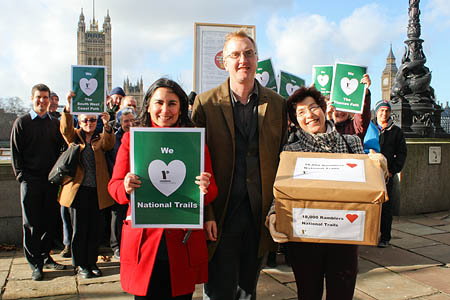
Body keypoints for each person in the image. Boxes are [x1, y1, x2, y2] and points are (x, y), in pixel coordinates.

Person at [192, 29, 287, 300]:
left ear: (257, 59)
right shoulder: (205, 103)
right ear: (224, 61)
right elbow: (196, 162)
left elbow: (284, 156)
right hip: (221, 213)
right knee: (219, 290)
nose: (242, 60)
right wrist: (207, 213)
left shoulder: (278, 104)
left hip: (259, 216)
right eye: (235, 54)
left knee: (248, 290)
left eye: (248, 53)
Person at [267, 86, 386, 300]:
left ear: (323, 110)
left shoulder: (352, 144)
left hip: (344, 239)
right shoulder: (290, 152)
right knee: (308, 294)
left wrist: (379, 170)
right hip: (304, 241)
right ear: (295, 121)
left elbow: (369, 191)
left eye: (313, 108)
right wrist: (273, 214)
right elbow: (281, 192)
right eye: (301, 112)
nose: (309, 115)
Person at [108, 78, 218, 299]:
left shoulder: (195, 142)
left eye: (172, 103)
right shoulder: (131, 141)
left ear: (181, 108)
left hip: (181, 242)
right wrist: (126, 186)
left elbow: (212, 191)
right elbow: (114, 187)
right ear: (148, 106)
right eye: (159, 103)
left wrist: (206, 187)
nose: (165, 110)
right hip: (145, 242)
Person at [10, 83, 66, 281]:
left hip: (50, 181)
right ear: (32, 99)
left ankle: (45, 256)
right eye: (39, 97)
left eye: (45, 97)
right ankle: (35, 264)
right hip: (31, 180)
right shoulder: (22, 122)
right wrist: (21, 176)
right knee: (31, 224)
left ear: (50, 100)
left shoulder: (54, 124)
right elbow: (15, 153)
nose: (42, 101)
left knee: (49, 222)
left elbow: (63, 148)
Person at [59, 92, 115, 278]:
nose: (89, 123)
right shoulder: (74, 137)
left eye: (92, 120)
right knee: (80, 231)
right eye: (85, 121)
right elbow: (65, 130)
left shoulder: (100, 138)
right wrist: (68, 107)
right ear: (79, 122)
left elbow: (109, 144)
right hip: (78, 191)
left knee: (95, 230)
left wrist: (107, 125)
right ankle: (81, 264)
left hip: (97, 192)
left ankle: (92, 262)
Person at [373, 100, 407, 248]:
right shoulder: (369, 128)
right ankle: (370, 234)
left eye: (387, 111)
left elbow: (402, 153)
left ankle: (385, 237)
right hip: (370, 172)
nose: (384, 113)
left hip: (387, 175)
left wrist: (393, 170)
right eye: (381, 110)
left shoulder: (397, 131)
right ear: (376, 111)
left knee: (386, 208)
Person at [108, 107, 136, 260]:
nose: (130, 123)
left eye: (132, 120)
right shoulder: (115, 138)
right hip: (119, 183)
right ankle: (116, 246)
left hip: (134, 185)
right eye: (126, 121)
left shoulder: (138, 136)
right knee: (117, 216)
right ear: (120, 123)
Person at [326, 74, 372, 141]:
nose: (340, 112)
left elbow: (363, 115)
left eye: (343, 107)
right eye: (337, 108)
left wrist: (364, 94)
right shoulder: (325, 127)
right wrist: (329, 118)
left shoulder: (355, 127)